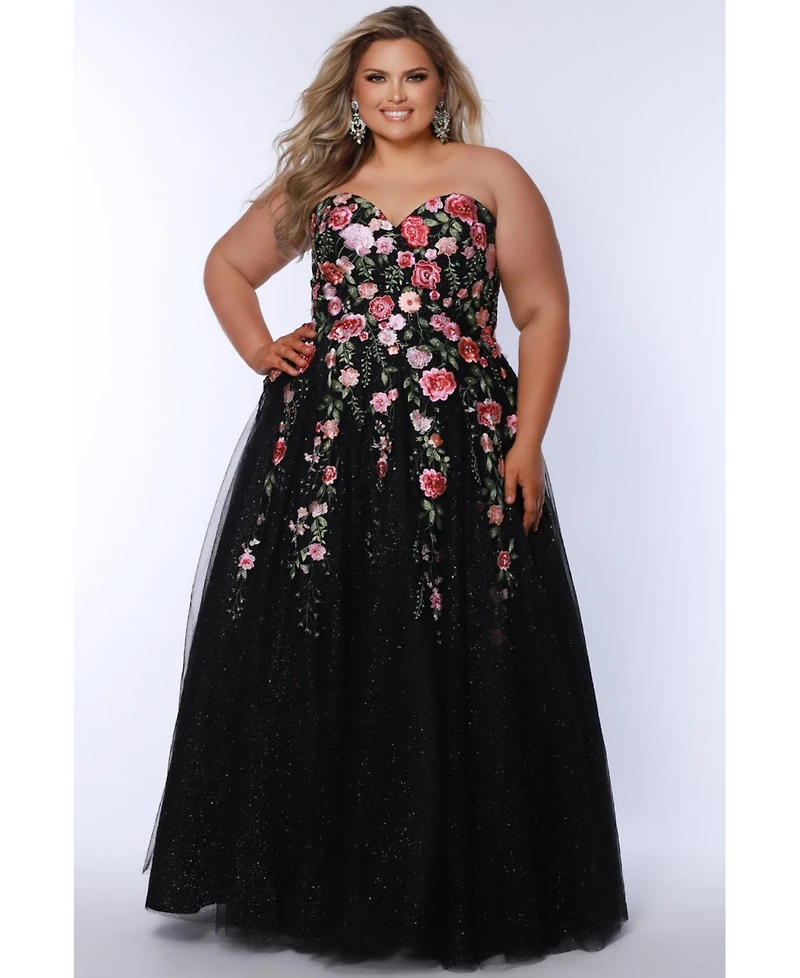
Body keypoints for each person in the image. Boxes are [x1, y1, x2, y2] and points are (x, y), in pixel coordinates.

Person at [142, 4, 628, 970]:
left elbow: (542, 310)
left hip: (463, 443)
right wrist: (258, 346)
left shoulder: (491, 176)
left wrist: (528, 441)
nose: (396, 94)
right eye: (377, 78)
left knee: (464, 638)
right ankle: (324, 879)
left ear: (441, 85)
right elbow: (228, 266)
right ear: (353, 93)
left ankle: (458, 880)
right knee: (329, 632)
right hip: (330, 446)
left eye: (413, 75)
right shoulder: (322, 182)